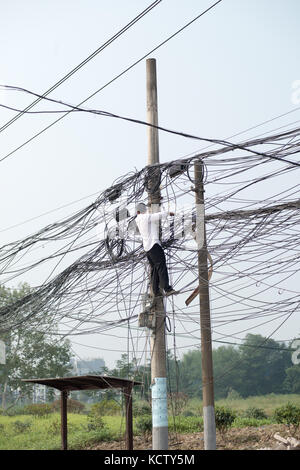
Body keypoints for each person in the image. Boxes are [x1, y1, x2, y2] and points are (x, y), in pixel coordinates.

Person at [135, 202, 177, 297]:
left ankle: (156, 291)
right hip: (154, 245)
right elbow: (157, 215)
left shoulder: (138, 219)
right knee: (161, 266)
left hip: (147, 249)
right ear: (143, 210)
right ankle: (167, 288)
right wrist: (168, 213)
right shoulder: (145, 217)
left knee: (154, 269)